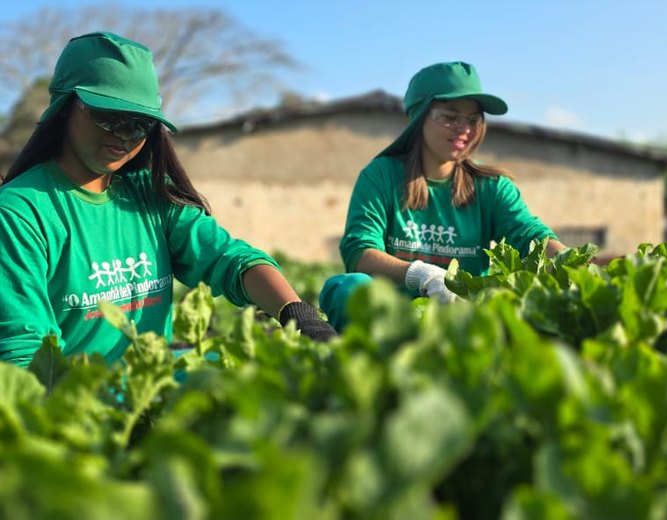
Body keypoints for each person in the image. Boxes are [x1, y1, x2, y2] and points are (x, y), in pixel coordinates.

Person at [0, 32, 336, 368]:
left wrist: (299, 314)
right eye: (108, 116)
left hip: (153, 380)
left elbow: (229, 259)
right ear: (64, 107)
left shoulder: (150, 195)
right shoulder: (19, 212)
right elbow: (25, 353)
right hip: (80, 402)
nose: (124, 134)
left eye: (140, 123)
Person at [320, 61, 566, 330]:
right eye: (449, 117)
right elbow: (361, 253)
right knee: (346, 288)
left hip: (462, 321)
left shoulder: (491, 186)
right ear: (419, 118)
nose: (464, 129)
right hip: (392, 320)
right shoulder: (381, 176)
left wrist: (574, 266)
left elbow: (531, 236)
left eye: (473, 120)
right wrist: (420, 274)